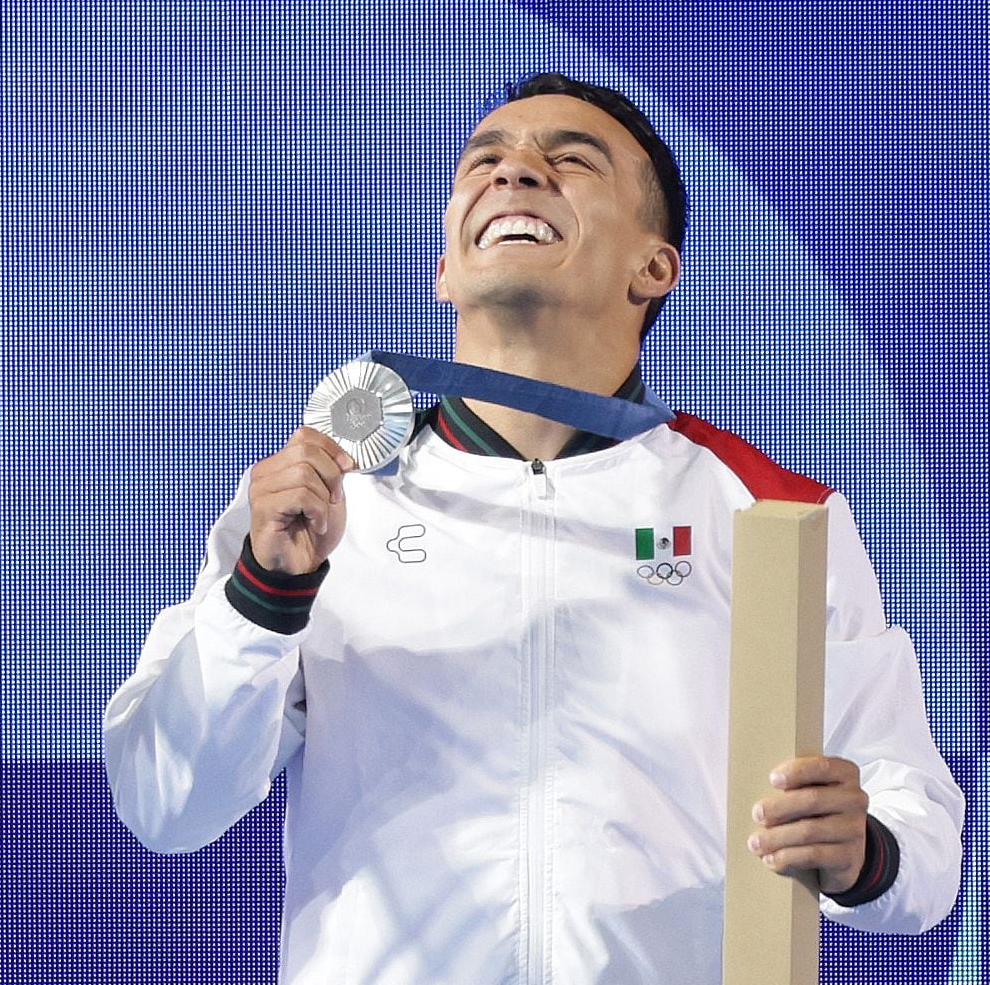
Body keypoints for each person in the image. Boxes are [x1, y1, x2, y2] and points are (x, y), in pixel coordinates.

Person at [103, 73, 962, 983]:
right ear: (446, 265)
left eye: (569, 161)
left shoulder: (770, 512)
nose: (513, 174)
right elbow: (168, 803)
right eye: (486, 162)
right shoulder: (320, 508)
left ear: (654, 267)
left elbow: (925, 838)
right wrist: (264, 596)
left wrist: (865, 851)